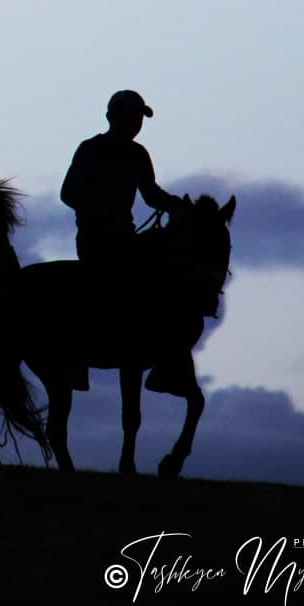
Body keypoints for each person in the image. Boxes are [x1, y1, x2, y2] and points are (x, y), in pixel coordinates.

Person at [60, 90, 192, 395]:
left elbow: (150, 193)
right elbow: (69, 194)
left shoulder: (138, 154)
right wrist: (98, 210)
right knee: (96, 288)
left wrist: (177, 206)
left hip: (126, 237)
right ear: (113, 117)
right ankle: (76, 357)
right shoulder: (90, 150)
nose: (136, 124)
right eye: (132, 117)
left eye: (139, 119)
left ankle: (166, 362)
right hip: (95, 240)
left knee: (167, 279)